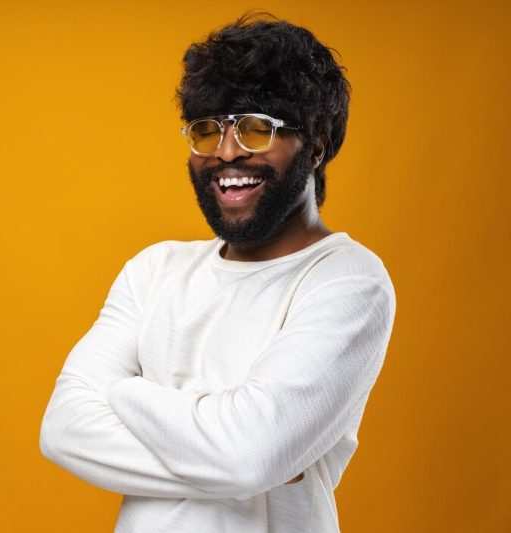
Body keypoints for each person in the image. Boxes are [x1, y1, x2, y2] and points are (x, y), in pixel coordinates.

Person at [39, 12, 396, 533]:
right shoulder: (154, 270)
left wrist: (124, 392)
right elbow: (64, 429)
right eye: (207, 130)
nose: (227, 152)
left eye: (256, 129)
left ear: (316, 144)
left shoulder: (347, 280)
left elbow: (247, 455)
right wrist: (245, 462)